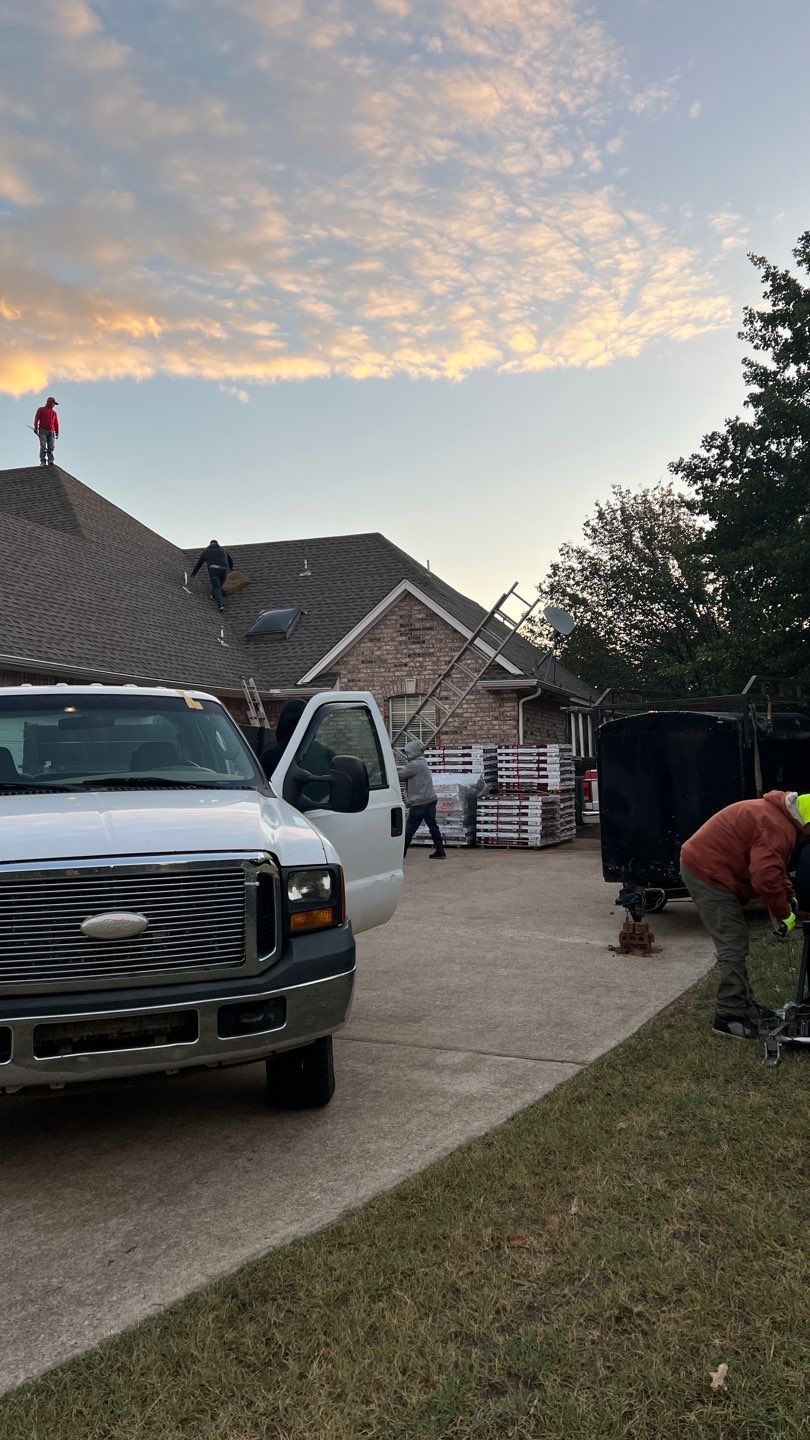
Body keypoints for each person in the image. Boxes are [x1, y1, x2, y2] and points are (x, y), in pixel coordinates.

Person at [680, 790, 810, 1039]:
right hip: (707, 872)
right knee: (733, 942)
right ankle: (728, 1016)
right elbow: (764, 877)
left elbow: (775, 867)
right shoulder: (777, 828)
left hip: (709, 865)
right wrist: (783, 913)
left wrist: (789, 895)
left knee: (736, 939)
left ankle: (745, 1005)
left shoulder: (778, 817)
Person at [260, 698, 335, 804]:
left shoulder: (270, 757)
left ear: (282, 723)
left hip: (283, 815)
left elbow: (261, 796)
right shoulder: (327, 755)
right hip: (324, 812)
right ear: (310, 723)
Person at [398, 739, 445, 859]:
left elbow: (400, 775)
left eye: (407, 753)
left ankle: (400, 854)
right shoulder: (422, 761)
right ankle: (440, 851)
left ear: (412, 752)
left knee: (410, 828)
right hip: (430, 799)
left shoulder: (415, 765)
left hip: (420, 802)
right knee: (433, 826)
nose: (406, 755)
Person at [190, 539, 234, 612]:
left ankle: (220, 604)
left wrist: (194, 573)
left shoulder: (206, 551)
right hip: (224, 570)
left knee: (217, 587)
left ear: (210, 544)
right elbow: (230, 560)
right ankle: (213, 595)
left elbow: (199, 563)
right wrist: (231, 568)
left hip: (213, 570)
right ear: (217, 544)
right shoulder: (223, 550)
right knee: (219, 586)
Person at [33, 396, 59, 466]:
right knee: (43, 445)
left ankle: (50, 460)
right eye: (53, 403)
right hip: (42, 430)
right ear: (49, 402)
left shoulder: (54, 413)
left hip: (52, 431)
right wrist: (35, 428)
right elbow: (36, 419)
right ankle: (43, 460)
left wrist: (57, 432)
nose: (53, 405)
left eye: (54, 404)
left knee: (51, 447)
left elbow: (56, 423)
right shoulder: (41, 409)